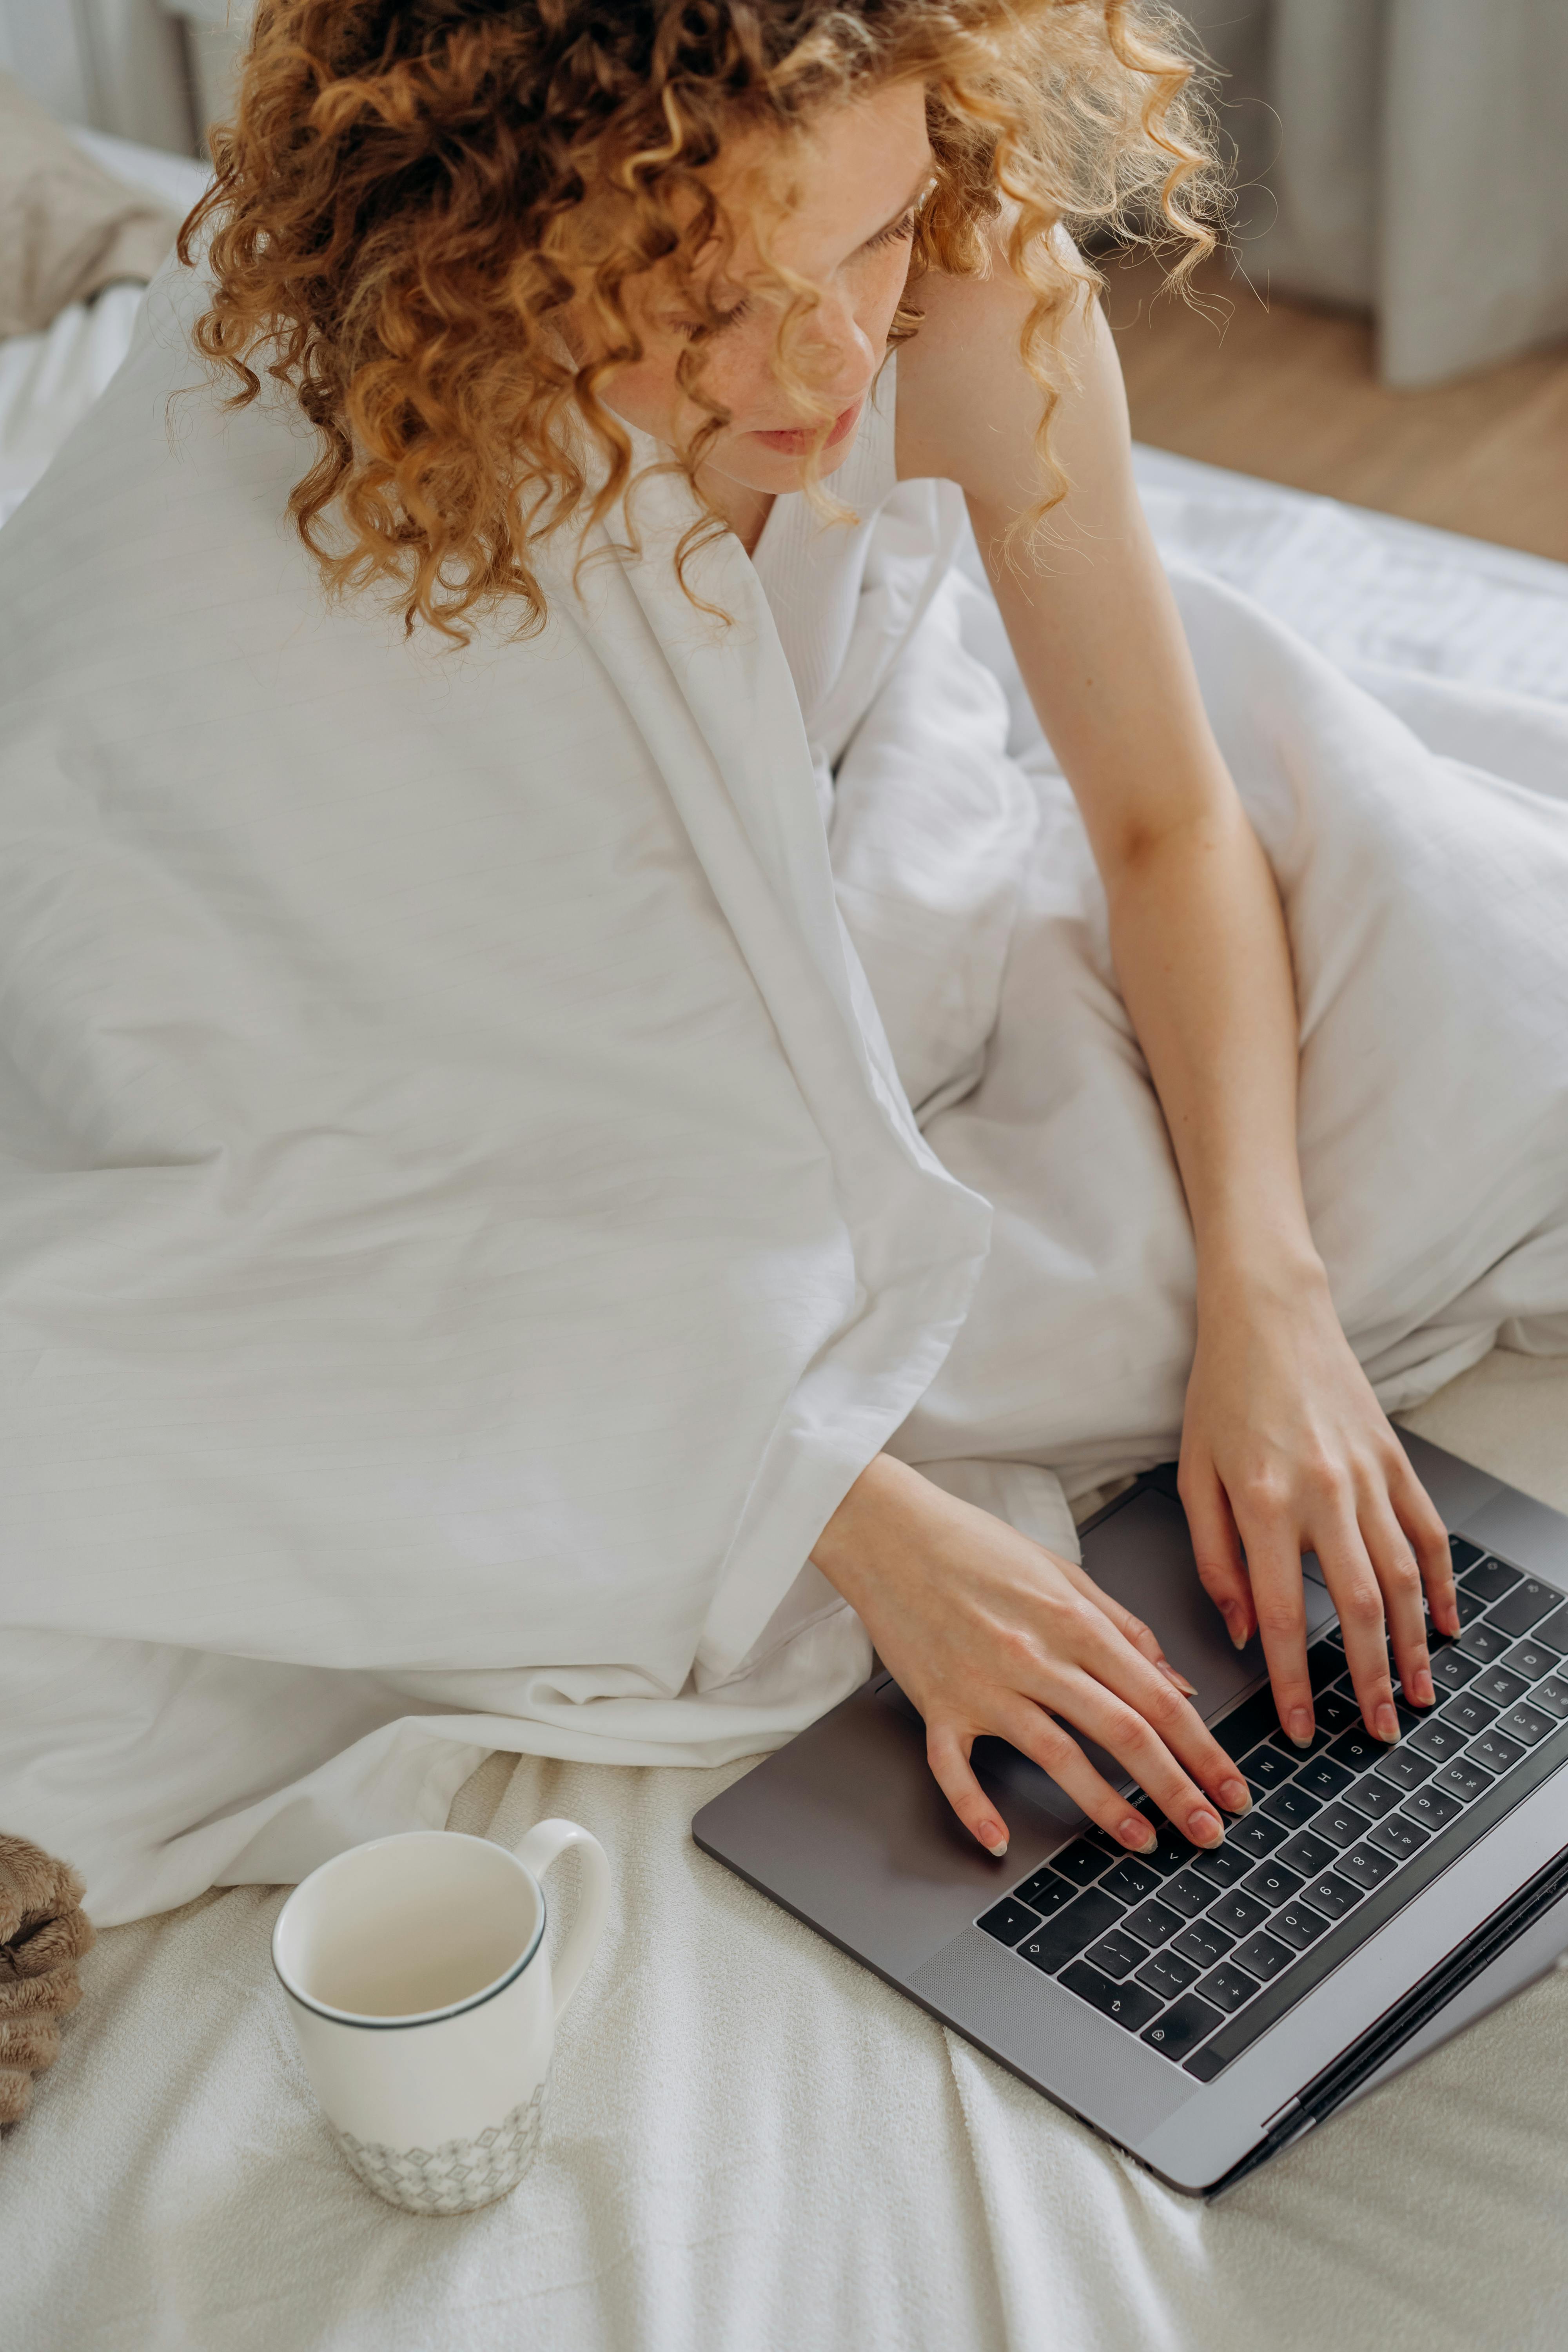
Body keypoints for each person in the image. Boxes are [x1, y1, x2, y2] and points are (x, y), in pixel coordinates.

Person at [4, 0, 1567, 1922]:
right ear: (501, 250)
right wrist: (851, 1512)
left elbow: (1164, 819)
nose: (830, 360)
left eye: (873, 231)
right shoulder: (299, 450)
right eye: (712, 298)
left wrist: (1278, 1303)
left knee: (1463, 1007)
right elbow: (302, 1130)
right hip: (347, 1004)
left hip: (819, 854)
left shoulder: (973, 296)